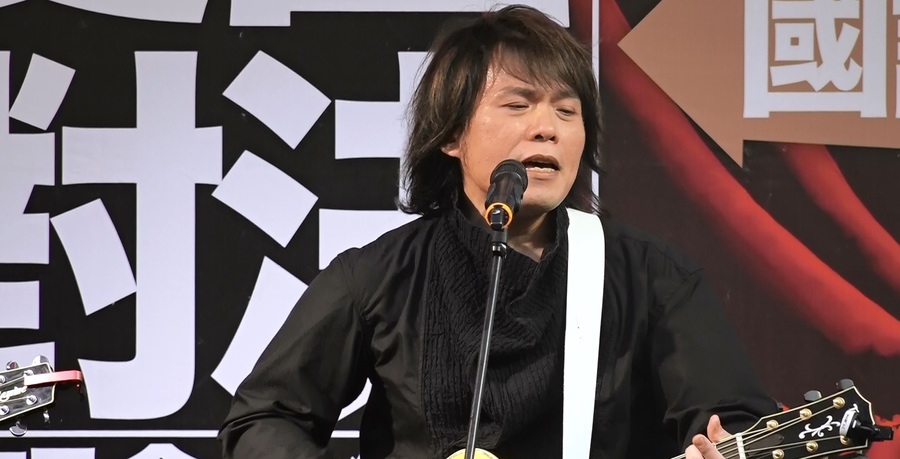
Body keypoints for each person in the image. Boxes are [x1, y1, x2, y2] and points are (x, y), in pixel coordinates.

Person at [218, 5, 777, 458]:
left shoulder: (652, 278)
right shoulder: (377, 278)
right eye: (518, 104)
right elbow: (261, 420)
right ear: (451, 135)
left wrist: (725, 448)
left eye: (567, 111)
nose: (547, 128)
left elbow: (736, 425)